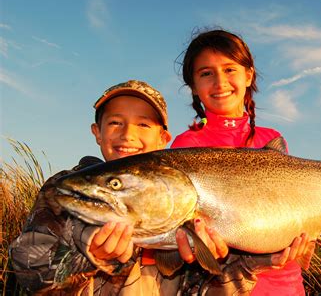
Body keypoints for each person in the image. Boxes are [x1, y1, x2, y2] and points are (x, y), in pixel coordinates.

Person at [9, 80, 229, 295]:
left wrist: (213, 258)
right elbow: (28, 270)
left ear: (163, 138)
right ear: (97, 131)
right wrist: (90, 258)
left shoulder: (186, 190)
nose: (127, 135)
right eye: (115, 122)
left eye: (143, 124)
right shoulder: (65, 189)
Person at [172, 29, 315, 295]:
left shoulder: (272, 139)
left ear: (248, 75)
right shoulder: (185, 146)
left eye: (229, 69)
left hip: (287, 287)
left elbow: (292, 208)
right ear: (193, 85)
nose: (219, 82)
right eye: (206, 73)